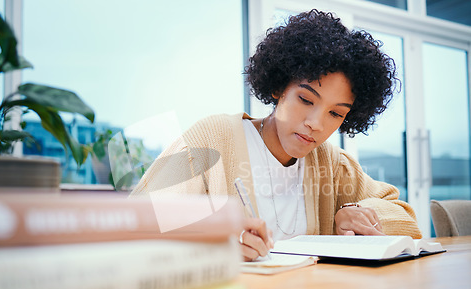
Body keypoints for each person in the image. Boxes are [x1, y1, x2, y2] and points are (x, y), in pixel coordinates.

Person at [130, 9, 422, 261]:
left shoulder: (332, 164)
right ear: (278, 88)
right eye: (306, 100)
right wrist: (216, 243)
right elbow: (134, 223)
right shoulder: (211, 138)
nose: (315, 124)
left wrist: (360, 213)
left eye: (336, 113)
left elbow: (407, 220)